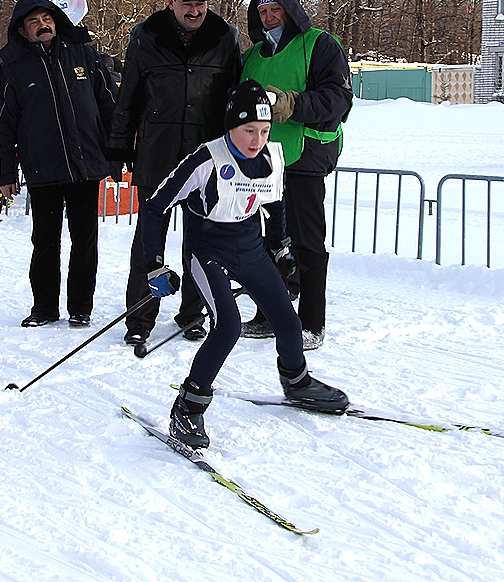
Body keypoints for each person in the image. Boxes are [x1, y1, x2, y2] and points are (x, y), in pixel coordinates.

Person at [141, 80, 349, 448]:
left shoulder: (272, 157)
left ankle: (296, 381)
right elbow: (155, 207)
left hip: (251, 248)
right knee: (228, 327)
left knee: (287, 320)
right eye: (248, 130)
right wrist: (155, 266)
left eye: (264, 130)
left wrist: (281, 248)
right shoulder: (205, 160)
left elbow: (275, 204)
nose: (256, 140)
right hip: (208, 251)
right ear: (231, 126)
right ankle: (188, 407)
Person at [107, 0, 244, 347]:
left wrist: (238, 151)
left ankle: (192, 314)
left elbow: (234, 100)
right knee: (148, 243)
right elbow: (129, 96)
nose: (195, 11)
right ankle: (139, 318)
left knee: (200, 243)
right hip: (157, 155)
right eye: (187, 3)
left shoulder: (225, 38)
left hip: (206, 159)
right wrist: (118, 147)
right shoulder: (146, 36)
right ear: (171, 2)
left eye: (201, 4)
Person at [0, 0, 118, 327]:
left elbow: (108, 105)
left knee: (84, 239)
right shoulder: (13, 70)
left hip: (85, 164)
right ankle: (44, 307)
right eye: (34, 21)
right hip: (42, 168)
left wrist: (117, 154)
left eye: (47, 18)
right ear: (22, 30)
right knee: (45, 241)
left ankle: (80, 307)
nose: (43, 25)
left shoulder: (83, 54)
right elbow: (2, 125)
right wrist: (3, 172)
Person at [238, 0, 353, 351]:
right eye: (263, 12)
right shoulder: (253, 55)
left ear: (291, 9)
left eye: (276, 10)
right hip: (262, 160)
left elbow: (338, 101)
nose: (270, 18)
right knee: (264, 240)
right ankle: (269, 313)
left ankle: (311, 321)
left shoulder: (319, 45)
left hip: (305, 156)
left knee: (306, 241)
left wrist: (291, 104)